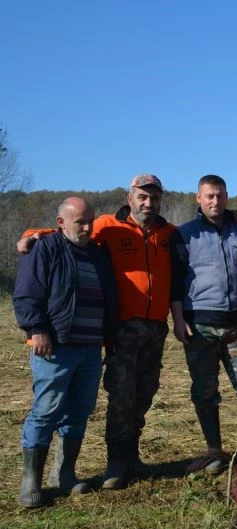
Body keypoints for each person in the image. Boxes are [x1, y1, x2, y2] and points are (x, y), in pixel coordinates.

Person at [17, 174, 175, 490]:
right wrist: (33, 234)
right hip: (121, 330)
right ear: (130, 198)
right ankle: (114, 462)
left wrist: (233, 216)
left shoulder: (170, 233)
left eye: (154, 198)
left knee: (143, 393)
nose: (148, 203)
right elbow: (72, 231)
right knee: (119, 394)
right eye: (142, 197)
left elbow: (78, 232)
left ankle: (128, 458)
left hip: (153, 328)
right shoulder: (108, 227)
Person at [13, 197, 118, 507]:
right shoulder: (44, 249)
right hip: (54, 347)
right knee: (46, 411)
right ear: (60, 223)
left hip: (90, 348)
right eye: (79, 222)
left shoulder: (98, 255)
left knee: (79, 412)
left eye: (90, 221)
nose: (87, 228)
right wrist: (37, 329)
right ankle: (30, 482)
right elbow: (27, 293)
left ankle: (64, 474)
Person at [170, 175, 237, 474]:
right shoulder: (184, 234)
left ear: (227, 196)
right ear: (198, 198)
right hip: (200, 324)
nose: (215, 201)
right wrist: (177, 319)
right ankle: (214, 451)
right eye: (209, 196)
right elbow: (174, 282)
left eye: (220, 195)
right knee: (205, 390)